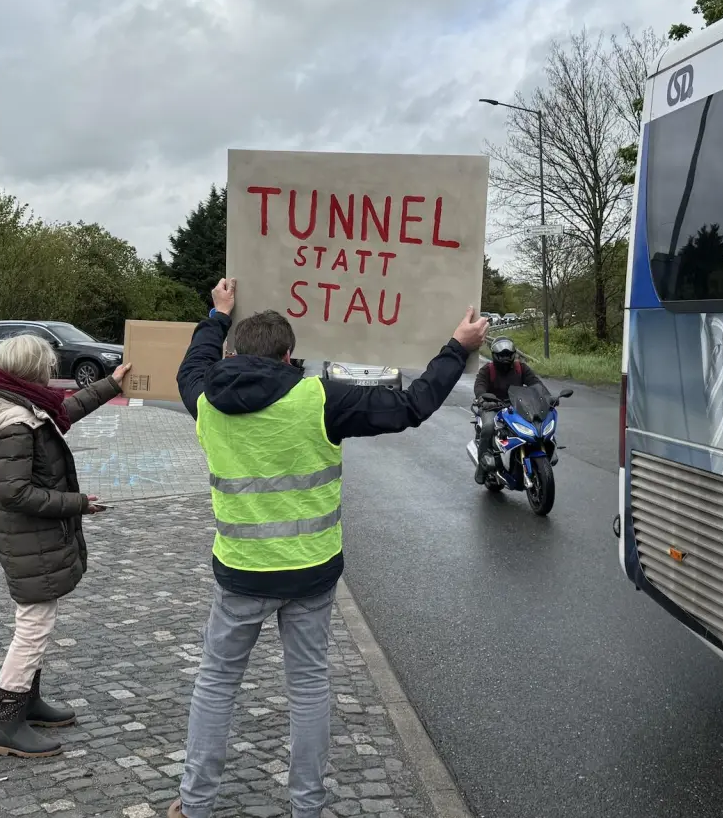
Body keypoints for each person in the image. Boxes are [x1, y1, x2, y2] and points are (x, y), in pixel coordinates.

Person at [167, 278, 488, 818]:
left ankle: (194, 806)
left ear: (232, 352)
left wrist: (216, 314)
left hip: (242, 573)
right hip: (312, 573)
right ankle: (307, 808)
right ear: (290, 354)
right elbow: (410, 405)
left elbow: (191, 366)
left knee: (217, 685)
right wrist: (456, 346)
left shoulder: (205, 401)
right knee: (310, 688)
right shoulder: (319, 398)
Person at [0, 333, 128, 759]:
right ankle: (8, 725)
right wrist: (78, 504)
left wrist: (111, 384)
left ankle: (30, 703)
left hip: (29, 538)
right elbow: (13, 493)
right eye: (47, 364)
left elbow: (63, 412)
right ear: (35, 369)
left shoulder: (19, 401)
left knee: (39, 621)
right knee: (33, 627)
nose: (52, 371)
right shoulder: (16, 423)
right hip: (28, 538)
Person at [471, 336, 545, 483]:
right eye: (502, 355)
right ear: (495, 356)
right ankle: (482, 466)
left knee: (538, 421)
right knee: (488, 427)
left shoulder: (521, 368)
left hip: (517, 406)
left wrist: (546, 397)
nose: (505, 358)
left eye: (508, 355)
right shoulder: (488, 370)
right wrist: (483, 399)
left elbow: (535, 384)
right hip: (493, 406)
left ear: (513, 354)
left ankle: (546, 449)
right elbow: (479, 386)